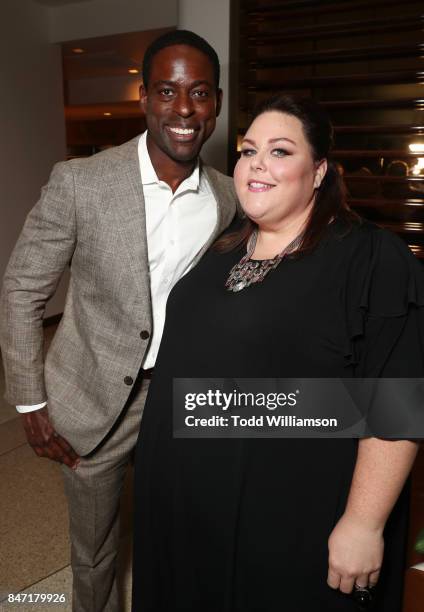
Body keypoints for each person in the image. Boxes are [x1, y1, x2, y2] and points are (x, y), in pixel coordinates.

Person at [132, 95, 422, 611]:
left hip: (293, 520)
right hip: (189, 513)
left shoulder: (371, 258)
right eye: (248, 151)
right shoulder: (226, 245)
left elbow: (395, 401)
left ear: (319, 172)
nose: (257, 163)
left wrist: (363, 523)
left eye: (281, 151)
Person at [0, 30, 237, 612]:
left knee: (183, 531)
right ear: (144, 96)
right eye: (167, 91)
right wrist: (31, 403)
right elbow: (22, 289)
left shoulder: (230, 198)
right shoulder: (80, 181)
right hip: (94, 397)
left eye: (200, 93)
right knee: (96, 549)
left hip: (185, 398)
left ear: (217, 104)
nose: (184, 110)